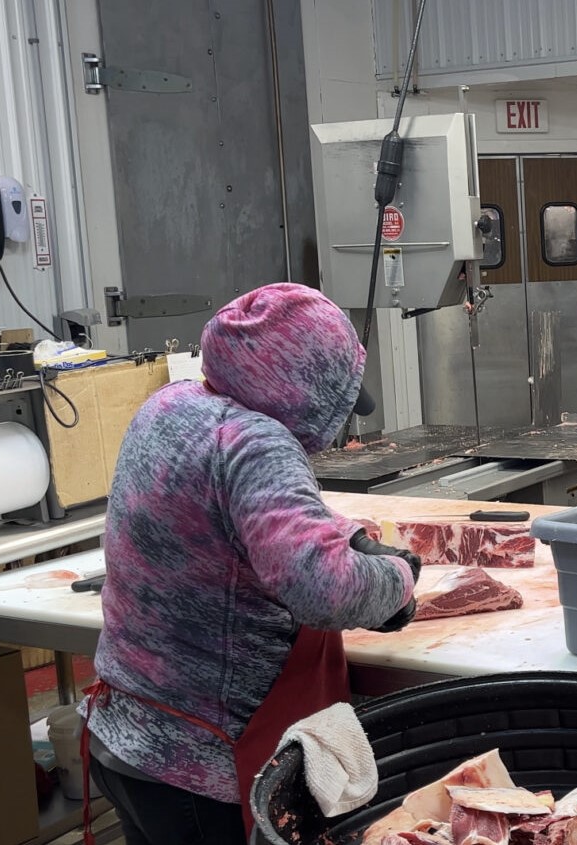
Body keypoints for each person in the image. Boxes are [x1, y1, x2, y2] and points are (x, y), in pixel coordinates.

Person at [80, 283, 421, 844]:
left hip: (125, 738)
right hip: (202, 767)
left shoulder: (173, 404)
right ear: (306, 395)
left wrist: (350, 538)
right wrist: (397, 580)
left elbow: (252, 511)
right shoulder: (258, 444)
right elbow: (323, 591)